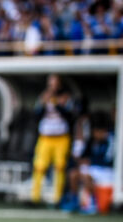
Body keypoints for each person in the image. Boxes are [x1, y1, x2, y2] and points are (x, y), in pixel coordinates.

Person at [31, 74, 73, 205]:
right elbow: (37, 113)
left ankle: (57, 198)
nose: (52, 86)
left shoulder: (66, 96)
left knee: (59, 167)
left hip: (61, 138)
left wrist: (56, 102)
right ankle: (35, 197)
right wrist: (45, 102)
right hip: (45, 137)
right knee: (39, 166)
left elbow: (69, 114)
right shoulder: (44, 96)